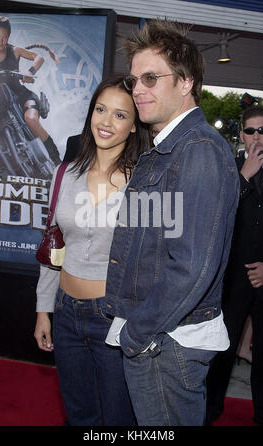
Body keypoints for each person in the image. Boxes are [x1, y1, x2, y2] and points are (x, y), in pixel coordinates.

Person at [104, 18, 240, 426]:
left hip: (167, 341)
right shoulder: (168, 148)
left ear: (186, 83)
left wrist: (137, 333)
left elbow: (192, 266)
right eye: (134, 80)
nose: (138, 90)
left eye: (151, 78)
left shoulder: (198, 151)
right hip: (160, 334)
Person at [34, 74, 151, 426]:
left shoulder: (144, 182)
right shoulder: (64, 174)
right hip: (66, 313)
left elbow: (153, 259)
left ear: (133, 126)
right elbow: (55, 246)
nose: (106, 121)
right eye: (101, 109)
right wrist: (43, 310)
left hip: (115, 318)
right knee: (79, 415)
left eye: (120, 114)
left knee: (118, 419)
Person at [206, 105, 263, 426]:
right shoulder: (229, 172)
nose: (256, 137)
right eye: (250, 131)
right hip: (231, 284)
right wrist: (244, 176)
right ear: (241, 135)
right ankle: (208, 415)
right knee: (220, 354)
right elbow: (213, 219)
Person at [0, 16, 61, 164]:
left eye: (4, 37)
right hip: (0, 101)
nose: (0, 41)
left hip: (22, 96)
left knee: (31, 119)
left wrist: (29, 73)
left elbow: (39, 57)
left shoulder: (14, 50)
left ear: (8, 36)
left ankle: (56, 159)